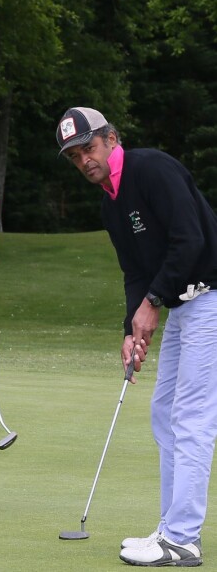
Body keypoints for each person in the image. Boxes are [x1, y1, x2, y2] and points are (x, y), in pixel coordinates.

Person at [56, 106, 217, 567]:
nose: (84, 160)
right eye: (74, 156)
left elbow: (190, 241)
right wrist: (132, 328)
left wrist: (153, 304)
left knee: (191, 417)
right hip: (187, 306)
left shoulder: (153, 169)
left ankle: (183, 539)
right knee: (164, 411)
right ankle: (170, 529)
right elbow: (135, 273)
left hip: (211, 297)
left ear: (110, 138)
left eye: (88, 147)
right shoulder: (109, 201)